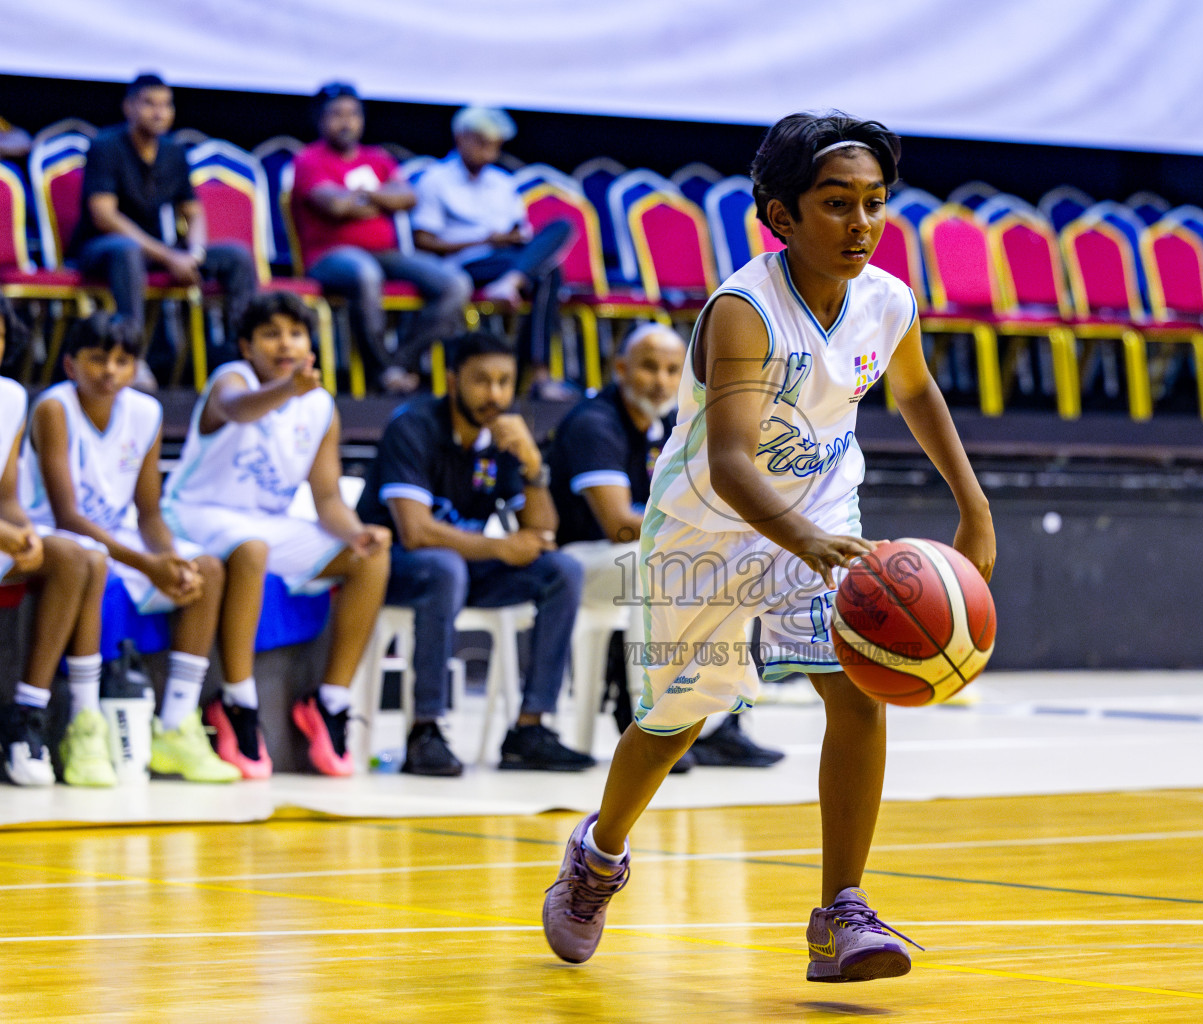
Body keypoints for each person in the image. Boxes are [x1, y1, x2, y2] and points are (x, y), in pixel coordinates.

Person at [541, 113, 995, 981]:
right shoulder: (743, 312)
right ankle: (598, 855)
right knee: (672, 723)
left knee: (855, 690)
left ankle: (843, 911)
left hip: (823, 512)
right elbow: (732, 462)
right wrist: (802, 538)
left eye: (874, 203)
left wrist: (973, 507)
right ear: (779, 216)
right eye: (836, 204)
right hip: (707, 526)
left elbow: (917, 392)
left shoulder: (888, 301)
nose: (861, 223)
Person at [162, 292, 392, 778]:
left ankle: (330, 701)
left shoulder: (320, 404)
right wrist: (288, 388)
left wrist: (356, 533)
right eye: (270, 334)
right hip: (196, 513)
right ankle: (238, 702)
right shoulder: (233, 379)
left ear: (310, 343)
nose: (284, 343)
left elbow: (327, 498)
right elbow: (240, 409)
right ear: (247, 346)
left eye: (294, 332)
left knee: (371, 557)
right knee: (251, 548)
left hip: (266, 521)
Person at [548, 321, 785, 770]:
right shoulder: (594, 423)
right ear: (621, 368)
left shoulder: (664, 426)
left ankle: (720, 723)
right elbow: (619, 524)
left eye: (673, 369)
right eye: (649, 368)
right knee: (657, 562)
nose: (661, 380)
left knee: (736, 562)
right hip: (581, 560)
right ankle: (652, 719)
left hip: (629, 556)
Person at [355, 330, 590, 776]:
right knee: (443, 566)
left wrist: (533, 464)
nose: (495, 394)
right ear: (452, 379)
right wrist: (501, 547)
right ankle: (426, 730)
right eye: (482, 381)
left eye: (505, 382)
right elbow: (416, 531)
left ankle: (529, 729)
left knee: (562, 570)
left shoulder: (502, 439)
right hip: (394, 568)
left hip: (462, 570)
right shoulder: (414, 426)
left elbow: (543, 533)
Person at [24, 313, 241, 784]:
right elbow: (67, 516)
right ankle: (85, 727)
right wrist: (149, 564)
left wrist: (171, 561)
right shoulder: (53, 409)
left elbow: (148, 513)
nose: (109, 371)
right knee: (93, 559)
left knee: (208, 567)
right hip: (56, 535)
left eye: (123, 361)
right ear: (69, 364)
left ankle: (176, 725)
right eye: (97, 359)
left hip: (121, 537)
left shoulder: (146, 412)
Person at [68, 74, 257, 383]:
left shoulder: (174, 153)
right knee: (126, 250)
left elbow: (193, 214)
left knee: (236, 255)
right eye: (149, 104)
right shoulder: (105, 147)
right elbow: (104, 216)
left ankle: (244, 355)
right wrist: (170, 257)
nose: (159, 112)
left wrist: (194, 254)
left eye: (166, 105)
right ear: (128, 107)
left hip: (159, 249)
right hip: (102, 248)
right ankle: (133, 357)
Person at [291, 82, 471, 394]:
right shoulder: (309, 159)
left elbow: (407, 198)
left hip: (386, 254)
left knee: (455, 284)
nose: (347, 122)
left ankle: (399, 363)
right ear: (320, 120)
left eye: (353, 114)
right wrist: (378, 200)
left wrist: (364, 195)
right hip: (330, 256)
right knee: (365, 274)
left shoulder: (378, 158)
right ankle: (380, 371)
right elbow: (334, 204)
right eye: (337, 115)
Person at [0, 297, 112, 788]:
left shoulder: (8, 397)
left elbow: (6, 494)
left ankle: (27, 716)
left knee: (72, 555)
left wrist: (21, 531)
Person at [410, 106, 574, 397]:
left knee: (560, 229)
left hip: (508, 259)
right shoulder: (436, 180)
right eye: (482, 141)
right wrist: (482, 239)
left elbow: (519, 230)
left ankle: (512, 281)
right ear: (461, 138)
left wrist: (510, 238)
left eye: (495, 144)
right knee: (549, 270)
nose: (489, 150)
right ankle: (538, 374)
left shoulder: (502, 182)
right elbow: (423, 240)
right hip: (464, 263)